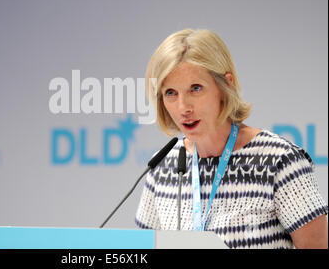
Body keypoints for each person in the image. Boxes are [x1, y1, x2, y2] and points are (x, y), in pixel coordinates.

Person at [135, 28, 328, 249]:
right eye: (171, 93)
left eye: (195, 88)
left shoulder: (279, 161)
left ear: (225, 85)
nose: (183, 108)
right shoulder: (163, 166)